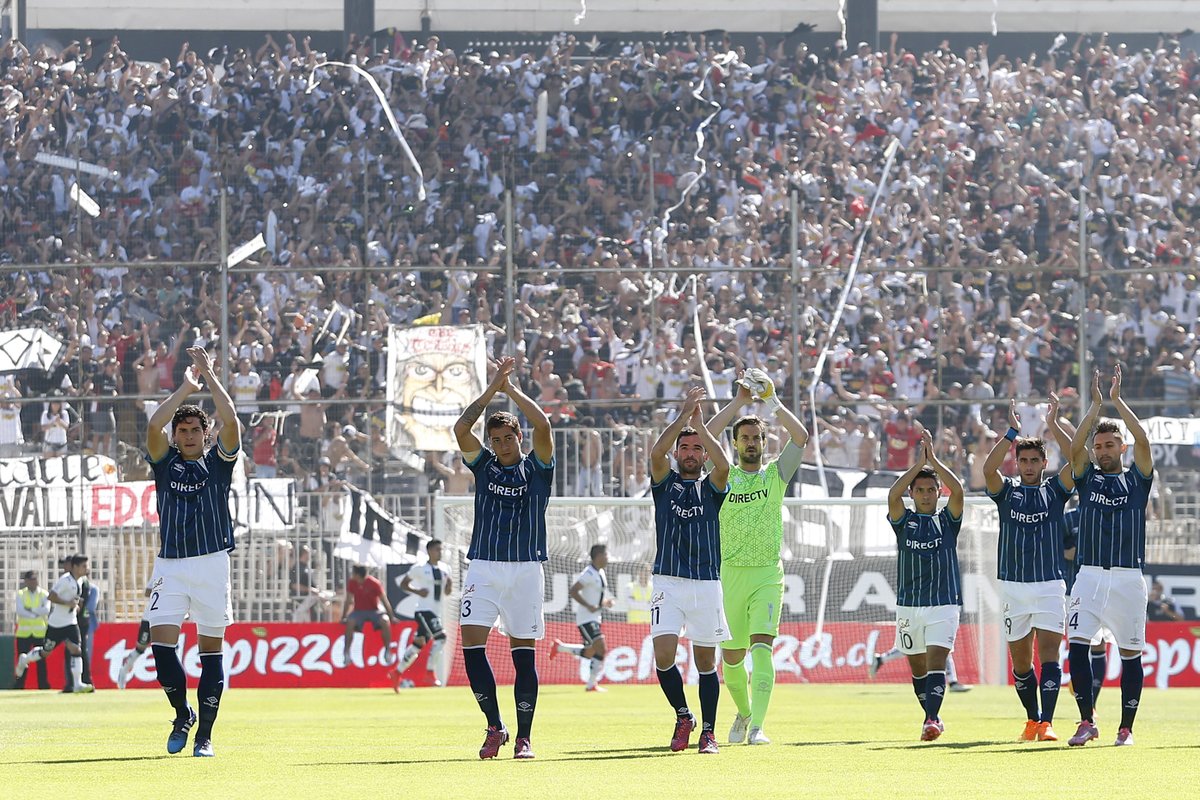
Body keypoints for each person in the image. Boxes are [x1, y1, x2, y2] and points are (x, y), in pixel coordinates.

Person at [452, 355, 555, 760]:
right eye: (495, 440)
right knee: (471, 646)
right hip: (484, 566)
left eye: (507, 438)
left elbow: (544, 426)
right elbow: (461, 429)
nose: (501, 445)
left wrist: (512, 391)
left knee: (522, 653)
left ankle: (525, 736)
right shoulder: (484, 468)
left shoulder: (538, 469)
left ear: (518, 437)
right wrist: (492, 389)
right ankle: (495, 726)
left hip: (527, 569)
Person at [142, 346, 242, 757]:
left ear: (205, 436)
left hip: (211, 564)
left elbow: (232, 420)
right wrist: (186, 387)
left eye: (193, 432)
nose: (186, 436)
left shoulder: (219, 463)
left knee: (210, 652)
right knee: (161, 647)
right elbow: (153, 424)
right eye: (181, 431)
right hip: (170, 565)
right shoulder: (164, 463)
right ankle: (182, 713)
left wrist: (210, 375)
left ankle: (205, 737)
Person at [703, 368, 808, 745]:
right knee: (731, 660)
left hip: (767, 574)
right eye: (744, 437)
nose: (751, 442)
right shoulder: (722, 476)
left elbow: (801, 437)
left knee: (762, 649)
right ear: (735, 443)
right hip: (729, 574)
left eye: (756, 437)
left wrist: (772, 401)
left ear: (765, 442)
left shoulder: (776, 476)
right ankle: (744, 714)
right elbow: (703, 434)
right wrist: (737, 402)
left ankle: (759, 726)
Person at [1065, 367, 1153, 747]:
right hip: (1088, 575)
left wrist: (1117, 402)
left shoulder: (1137, 480)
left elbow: (1145, 440)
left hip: (1128, 577)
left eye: (1109, 445)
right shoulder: (1087, 479)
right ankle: (1087, 721)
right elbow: (1073, 449)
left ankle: (1126, 728)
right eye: (1098, 446)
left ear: (1122, 447)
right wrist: (1096, 406)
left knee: (1131, 654)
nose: (1102, 451)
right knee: (1078, 646)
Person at [983, 397, 1076, 743]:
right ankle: (1031, 719)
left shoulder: (1055, 491)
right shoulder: (1006, 492)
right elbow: (988, 472)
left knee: (1049, 655)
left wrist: (1054, 424)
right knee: (1021, 664)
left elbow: (1078, 459)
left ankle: (1048, 722)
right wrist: (1011, 433)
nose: (1029, 465)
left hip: (1051, 584)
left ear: (1044, 461)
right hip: (1013, 587)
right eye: (1023, 460)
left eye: (1035, 460)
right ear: (1017, 462)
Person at [648, 386, 731, 755]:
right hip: (667, 580)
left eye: (698, 449)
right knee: (664, 657)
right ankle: (684, 715)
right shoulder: (664, 484)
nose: (692, 453)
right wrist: (683, 418)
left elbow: (724, 466)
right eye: (686, 448)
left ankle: (708, 731)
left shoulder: (712, 488)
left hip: (705, 583)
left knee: (705, 663)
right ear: (678, 453)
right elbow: (655, 452)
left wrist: (702, 428)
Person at [886, 429, 965, 742]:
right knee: (918, 670)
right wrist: (918, 465)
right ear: (913, 493)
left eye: (931, 490)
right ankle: (931, 715)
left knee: (936, 663)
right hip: (908, 604)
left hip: (944, 603)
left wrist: (934, 460)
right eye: (919, 490)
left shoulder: (948, 521)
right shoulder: (903, 520)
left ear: (937, 492)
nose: (925, 495)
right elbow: (893, 496)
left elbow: (958, 490)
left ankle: (931, 719)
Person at [15, 554, 94, 693]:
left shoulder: (81, 581)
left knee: (76, 649)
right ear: (75, 567)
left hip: (71, 622)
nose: (87, 568)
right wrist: (66, 603)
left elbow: (75, 599)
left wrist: (75, 606)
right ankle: (25, 659)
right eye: (84, 566)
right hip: (57, 624)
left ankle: (77, 683)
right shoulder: (65, 580)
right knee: (46, 652)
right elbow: (51, 596)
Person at [550, 543, 614, 692]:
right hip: (586, 619)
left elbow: (595, 599)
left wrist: (605, 603)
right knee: (601, 648)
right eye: (606, 554)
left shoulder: (600, 572)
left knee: (590, 652)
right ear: (598, 556)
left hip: (595, 617)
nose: (608, 558)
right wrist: (587, 606)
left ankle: (560, 647)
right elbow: (573, 591)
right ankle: (591, 685)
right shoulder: (588, 573)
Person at [391, 539, 453, 689]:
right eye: (438, 549)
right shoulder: (419, 568)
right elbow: (404, 583)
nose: (440, 552)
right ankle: (430, 673)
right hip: (424, 611)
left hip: (435, 612)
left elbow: (447, 592)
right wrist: (417, 591)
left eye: (441, 549)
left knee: (417, 645)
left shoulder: (445, 569)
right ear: (430, 551)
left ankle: (397, 672)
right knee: (441, 638)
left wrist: (449, 585)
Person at [340, 565, 400, 667]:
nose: (352, 575)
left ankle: (387, 650)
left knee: (385, 621)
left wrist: (391, 616)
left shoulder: (374, 583)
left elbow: (384, 600)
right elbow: (348, 600)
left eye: (353, 573)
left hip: (374, 611)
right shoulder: (352, 583)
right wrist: (344, 616)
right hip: (358, 611)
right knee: (350, 622)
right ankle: (346, 653)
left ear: (358, 575)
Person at [14, 570, 51, 690]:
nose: (33, 582)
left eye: (35, 579)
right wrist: (36, 613)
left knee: (41, 661)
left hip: (40, 632)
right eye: (31, 579)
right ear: (26, 581)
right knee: (22, 661)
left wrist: (30, 610)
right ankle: (19, 685)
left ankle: (43, 685)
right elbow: (20, 611)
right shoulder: (20, 594)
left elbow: (46, 610)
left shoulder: (44, 594)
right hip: (24, 633)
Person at [116, 581, 155, 690]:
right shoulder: (160, 571)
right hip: (149, 618)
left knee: (168, 648)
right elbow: (147, 592)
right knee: (140, 648)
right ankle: (123, 671)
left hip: (165, 619)